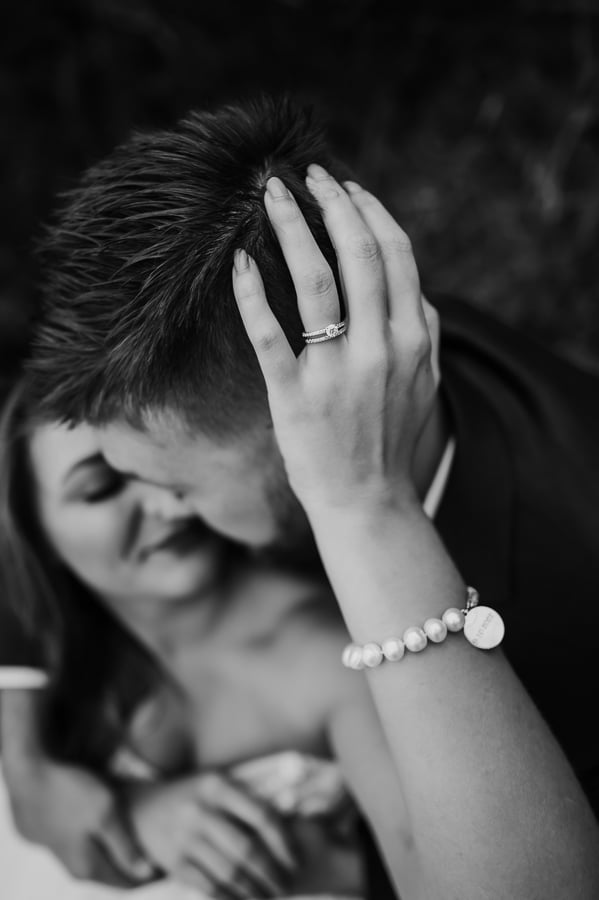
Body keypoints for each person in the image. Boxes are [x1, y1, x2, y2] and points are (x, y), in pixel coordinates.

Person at [1, 95, 599, 897]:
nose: (167, 518)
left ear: (315, 436)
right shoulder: (346, 326)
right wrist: (28, 761)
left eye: (172, 486)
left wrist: (364, 509)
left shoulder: (575, 584)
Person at [0, 380, 395, 899]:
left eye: (159, 466)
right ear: (38, 536)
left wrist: (304, 859)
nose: (165, 505)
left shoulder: (334, 651)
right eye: (101, 489)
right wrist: (132, 808)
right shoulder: (49, 658)